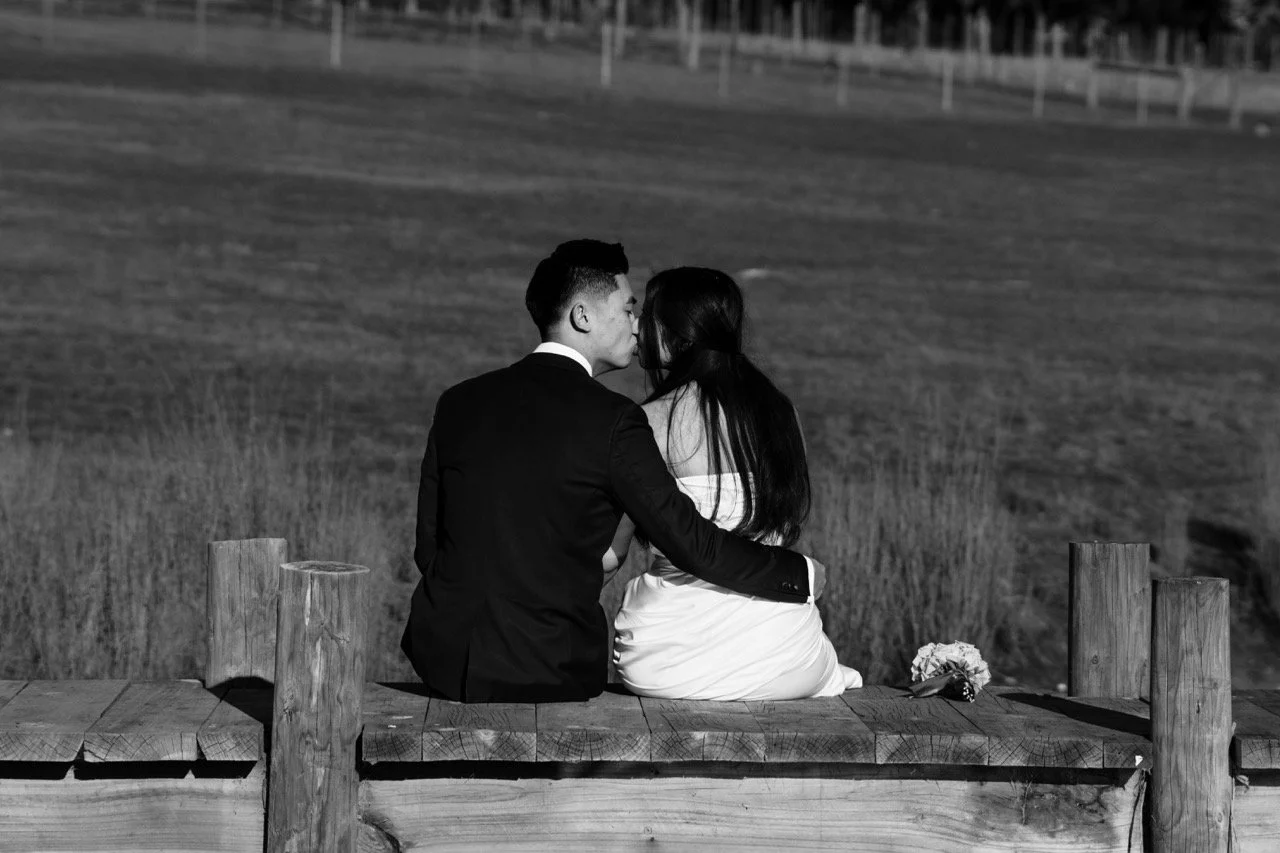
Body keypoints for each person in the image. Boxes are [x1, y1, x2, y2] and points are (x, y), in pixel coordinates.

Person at [400, 240, 828, 703]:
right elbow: (691, 542)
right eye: (627, 309)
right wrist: (797, 575)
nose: (636, 325)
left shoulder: (459, 402)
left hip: (443, 659)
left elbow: (429, 547)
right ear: (583, 317)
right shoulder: (615, 421)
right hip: (551, 668)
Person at [612, 267, 861, 700]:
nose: (636, 326)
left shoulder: (648, 422)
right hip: (784, 652)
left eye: (646, 314)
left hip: (671, 662)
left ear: (676, 333)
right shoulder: (782, 413)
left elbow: (612, 551)